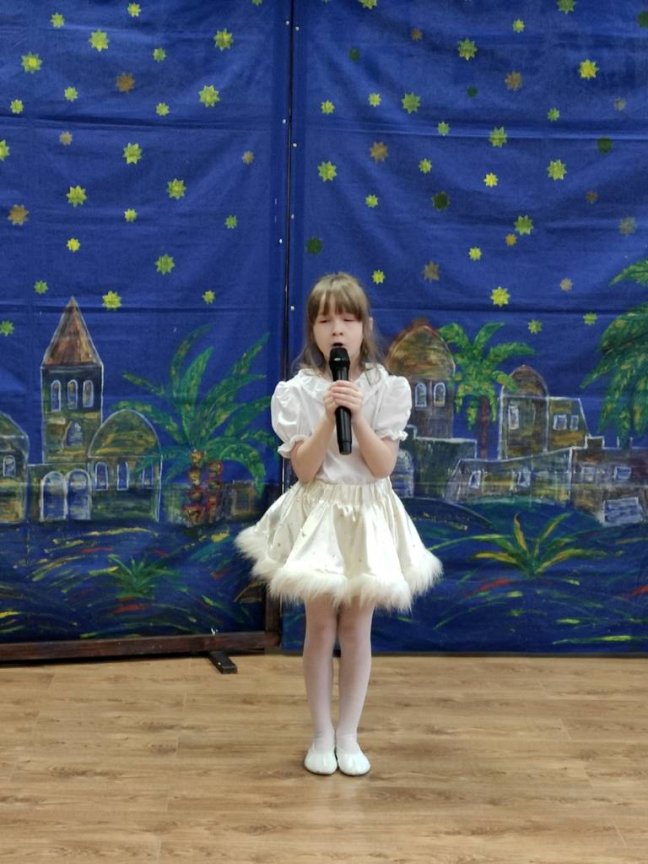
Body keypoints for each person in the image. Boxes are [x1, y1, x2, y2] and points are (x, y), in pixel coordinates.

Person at [236, 272, 442, 776]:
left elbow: (382, 465)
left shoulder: (385, 389)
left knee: (356, 626)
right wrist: (329, 416)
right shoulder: (298, 393)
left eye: (348, 319)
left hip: (368, 513)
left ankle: (348, 733)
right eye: (326, 320)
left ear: (365, 327)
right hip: (319, 516)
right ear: (313, 329)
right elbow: (305, 470)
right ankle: (321, 734)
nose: (337, 330)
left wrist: (357, 413)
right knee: (320, 624)